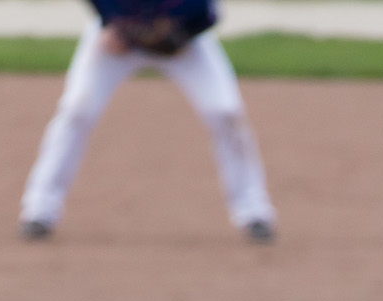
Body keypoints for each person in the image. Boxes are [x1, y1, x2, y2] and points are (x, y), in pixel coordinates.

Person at [18, 0, 276, 242]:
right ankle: (40, 209)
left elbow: (206, 11)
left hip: (183, 43)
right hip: (119, 40)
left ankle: (253, 210)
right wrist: (109, 24)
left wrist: (184, 34)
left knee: (225, 111)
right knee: (76, 109)